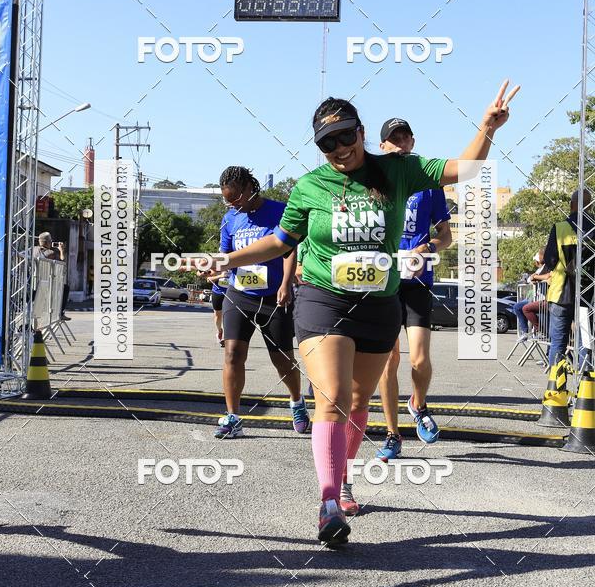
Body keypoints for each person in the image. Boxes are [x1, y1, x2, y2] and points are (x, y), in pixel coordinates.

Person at [204, 82, 520, 544]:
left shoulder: (397, 171)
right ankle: (328, 502)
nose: (338, 149)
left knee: (356, 404)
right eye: (326, 143)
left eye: (345, 137)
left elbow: (466, 169)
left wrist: (486, 128)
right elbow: (281, 242)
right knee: (331, 396)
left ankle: (344, 477)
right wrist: (228, 260)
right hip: (322, 298)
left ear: (362, 132)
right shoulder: (311, 186)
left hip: (378, 304)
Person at [374, 117, 452, 461]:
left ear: (412, 142)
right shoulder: (371, 183)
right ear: (382, 146)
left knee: (419, 359)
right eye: (393, 140)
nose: (400, 144)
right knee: (387, 360)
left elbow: (446, 235)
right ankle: (392, 434)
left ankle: (418, 404)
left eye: (405, 138)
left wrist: (428, 249)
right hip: (383, 281)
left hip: (418, 280)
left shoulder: (428, 184)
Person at [214, 166, 309, 438]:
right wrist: (214, 270)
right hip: (239, 294)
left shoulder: (280, 210)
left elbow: (289, 248)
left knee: (282, 359)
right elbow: (225, 257)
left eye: (235, 198)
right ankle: (233, 417)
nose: (232, 204)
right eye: (227, 200)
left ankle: (296, 401)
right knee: (232, 353)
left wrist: (285, 283)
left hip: (273, 297)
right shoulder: (230, 219)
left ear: (249, 188)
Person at [542, 189, 593, 368]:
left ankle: (556, 388)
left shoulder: (560, 228)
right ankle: (585, 390)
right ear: (591, 206)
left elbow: (549, 261)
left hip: (561, 295)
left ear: (571, 205)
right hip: (589, 296)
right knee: (585, 344)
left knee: (558, 344)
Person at [33, 232, 70, 322]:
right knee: (65, 288)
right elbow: (62, 263)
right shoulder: (51, 253)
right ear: (47, 242)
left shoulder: (33, 250)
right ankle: (60, 313)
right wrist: (61, 250)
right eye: (50, 241)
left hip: (33, 284)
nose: (51, 243)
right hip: (45, 285)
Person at [513, 250, 550, 340]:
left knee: (526, 308)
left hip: (542, 298)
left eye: (536, 260)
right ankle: (525, 332)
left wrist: (536, 277)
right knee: (517, 307)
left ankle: (540, 331)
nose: (535, 262)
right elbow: (530, 279)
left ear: (538, 261)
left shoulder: (547, 267)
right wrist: (533, 277)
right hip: (535, 296)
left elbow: (547, 277)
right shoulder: (539, 269)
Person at [210, 273, 229, 347]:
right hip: (217, 292)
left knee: (228, 315)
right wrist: (221, 276)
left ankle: (225, 337)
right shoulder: (217, 265)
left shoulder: (235, 264)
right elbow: (209, 279)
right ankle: (219, 331)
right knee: (218, 316)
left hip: (231, 293)